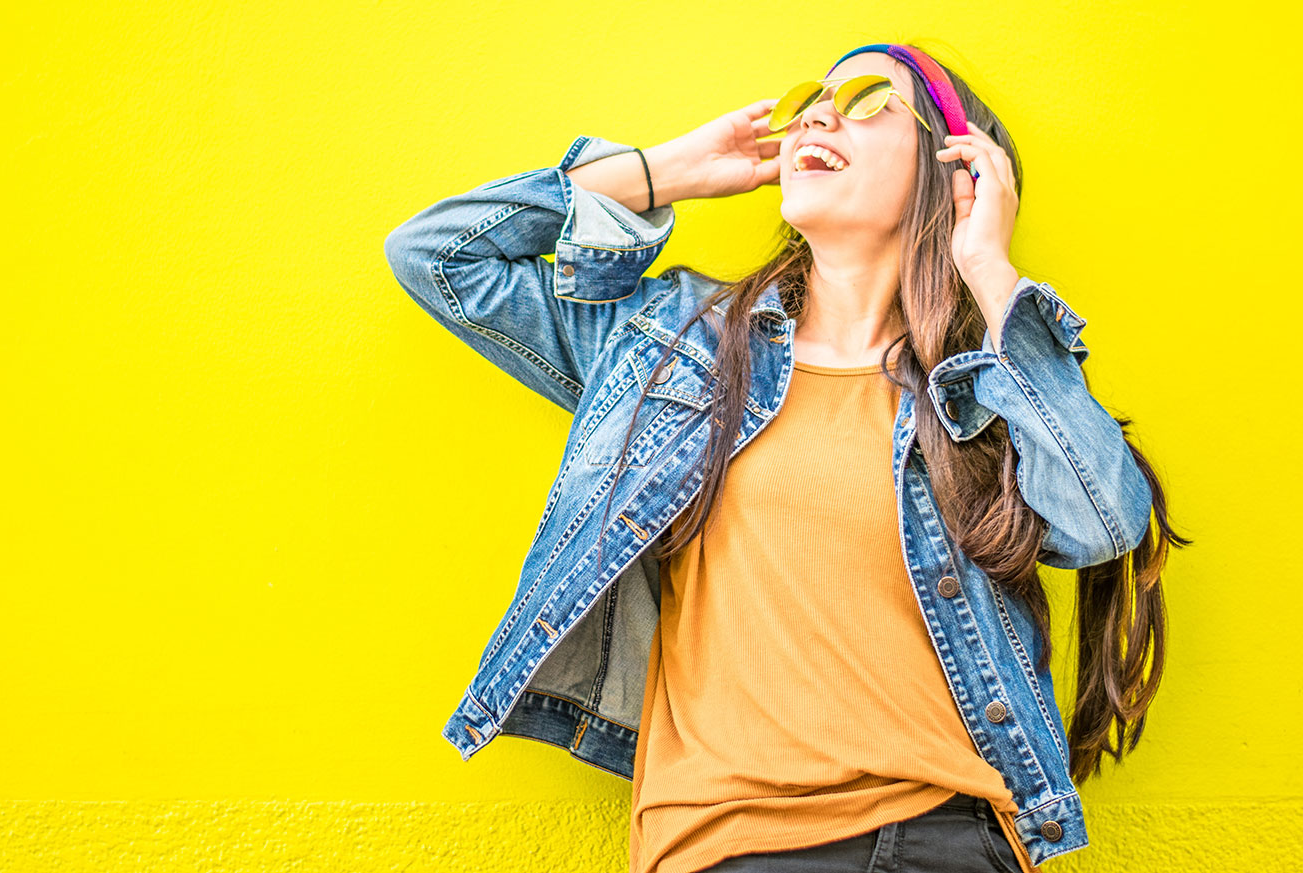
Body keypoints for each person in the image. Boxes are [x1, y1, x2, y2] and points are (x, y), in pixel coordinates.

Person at [384, 40, 1186, 873]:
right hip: (730, 844)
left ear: (956, 171)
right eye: (811, 98)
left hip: (957, 835)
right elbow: (437, 256)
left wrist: (989, 269)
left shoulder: (984, 387)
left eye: (871, 98)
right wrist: (665, 172)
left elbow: (1105, 521)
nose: (817, 113)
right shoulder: (672, 344)